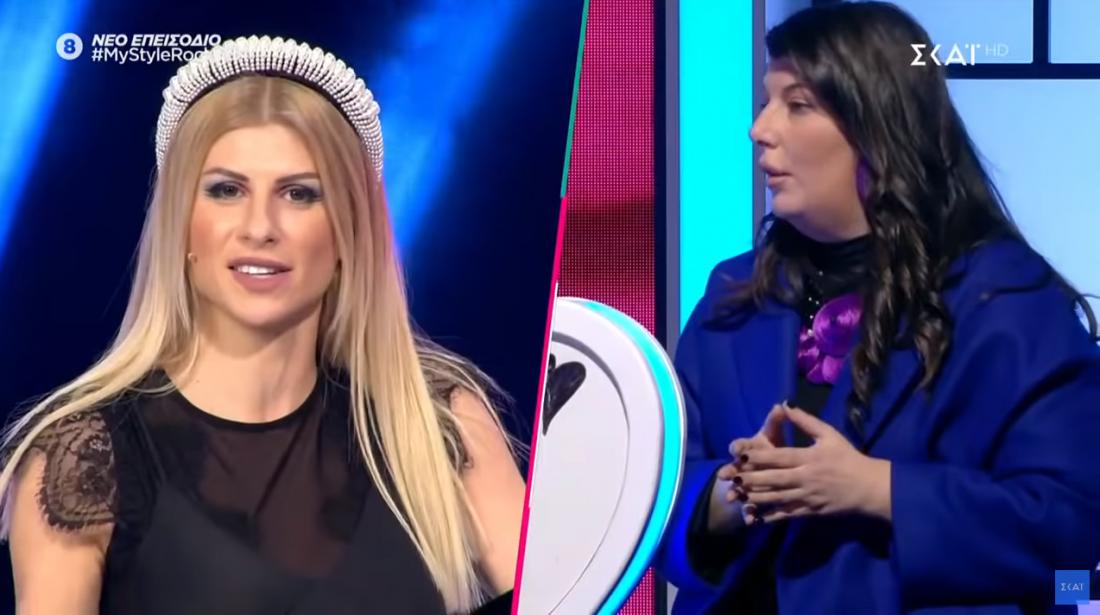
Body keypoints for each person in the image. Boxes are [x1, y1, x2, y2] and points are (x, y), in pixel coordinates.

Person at [0, 35, 525, 614]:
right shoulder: (87, 458)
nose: (259, 227)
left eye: (299, 194)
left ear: (348, 232)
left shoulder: (433, 421)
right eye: (226, 190)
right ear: (182, 223)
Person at [655, 3, 1100, 614]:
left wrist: (876, 488)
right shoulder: (734, 294)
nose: (760, 129)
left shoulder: (1003, 299)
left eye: (798, 105)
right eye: (765, 102)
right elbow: (660, 503)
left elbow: (1071, 528)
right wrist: (728, 495)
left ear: (877, 126)